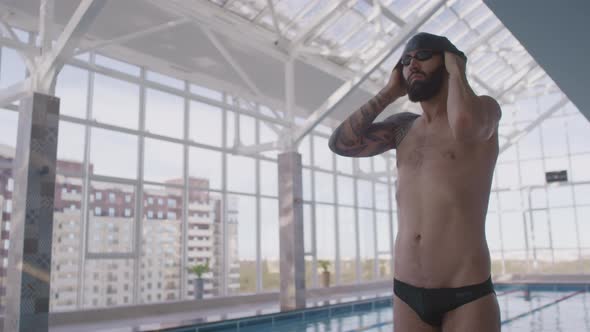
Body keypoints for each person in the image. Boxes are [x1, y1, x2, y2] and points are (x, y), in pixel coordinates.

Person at [328, 32, 502, 331]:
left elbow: (464, 125)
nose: (412, 65)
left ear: (448, 62)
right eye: (406, 61)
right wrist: (389, 92)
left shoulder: (485, 109)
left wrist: (458, 70)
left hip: (466, 292)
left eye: (422, 56)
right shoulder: (403, 128)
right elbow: (342, 144)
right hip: (407, 291)